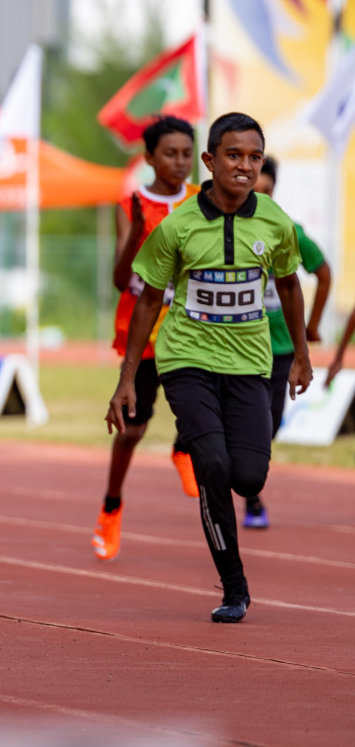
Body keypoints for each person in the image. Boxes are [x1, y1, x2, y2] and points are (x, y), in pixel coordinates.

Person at [108, 112, 312, 623]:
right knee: (214, 469)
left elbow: (289, 285)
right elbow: (149, 300)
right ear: (210, 161)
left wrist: (302, 355)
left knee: (248, 476)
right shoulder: (177, 226)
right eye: (233, 156)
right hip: (186, 359)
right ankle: (235, 587)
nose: (245, 166)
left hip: (250, 363)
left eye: (254, 157)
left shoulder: (275, 221)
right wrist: (128, 378)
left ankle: (213, 465)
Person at [93, 116, 200, 562]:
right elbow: (121, 280)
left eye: (187, 154)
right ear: (150, 158)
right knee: (133, 428)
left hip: (195, 330)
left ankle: (183, 448)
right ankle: (111, 503)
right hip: (145, 333)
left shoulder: (202, 200)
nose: (180, 162)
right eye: (170, 154)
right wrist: (137, 230)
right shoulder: (130, 204)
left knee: (203, 411)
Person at [242, 156, 330, 527]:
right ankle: (252, 495)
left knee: (270, 423)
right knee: (244, 416)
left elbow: (323, 273)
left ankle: (248, 476)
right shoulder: (228, 229)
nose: (261, 196)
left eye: (267, 191)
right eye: (254, 190)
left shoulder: (288, 228)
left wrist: (311, 327)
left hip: (279, 347)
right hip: (239, 344)